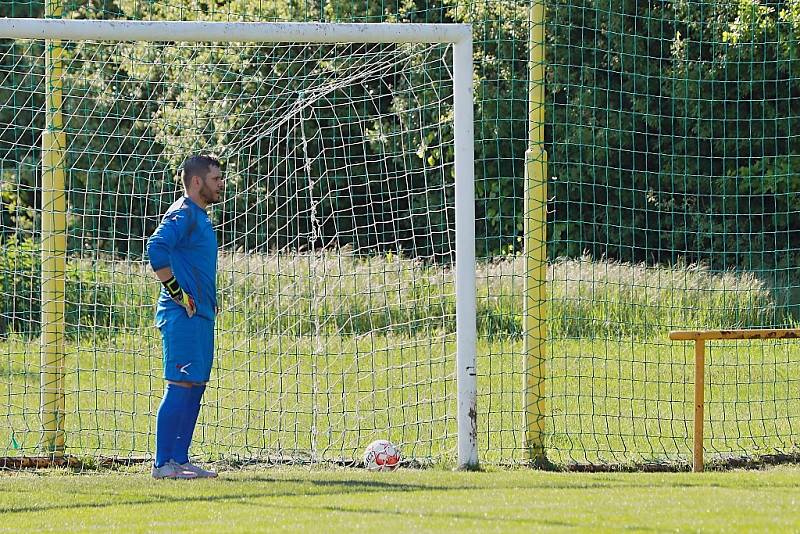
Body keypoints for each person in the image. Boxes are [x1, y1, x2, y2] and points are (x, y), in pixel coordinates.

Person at [146, 154, 224, 479]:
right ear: (197, 182)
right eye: (216, 178)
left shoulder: (201, 217)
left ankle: (179, 459)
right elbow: (156, 250)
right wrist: (178, 293)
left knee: (195, 385)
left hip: (201, 317)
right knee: (180, 384)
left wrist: (209, 299)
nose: (222, 184)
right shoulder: (182, 214)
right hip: (182, 318)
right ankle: (162, 464)